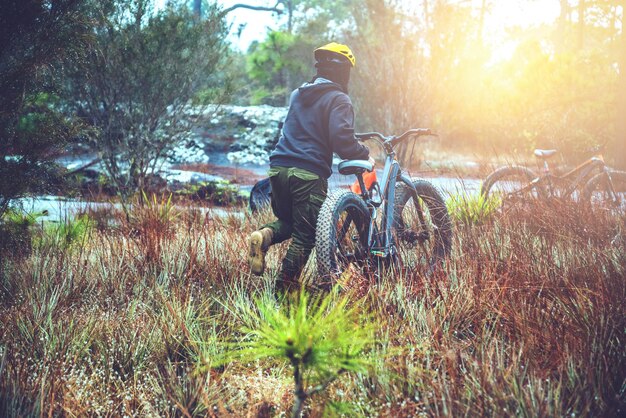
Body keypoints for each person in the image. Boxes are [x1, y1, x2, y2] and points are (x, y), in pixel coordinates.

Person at [247, 42, 375, 292]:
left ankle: (263, 236)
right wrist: (364, 154)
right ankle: (283, 293)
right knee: (307, 237)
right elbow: (342, 140)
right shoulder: (339, 99)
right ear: (344, 71)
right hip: (307, 173)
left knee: (291, 221)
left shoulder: (298, 93)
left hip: (278, 169)